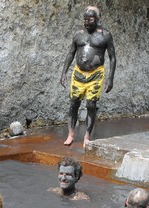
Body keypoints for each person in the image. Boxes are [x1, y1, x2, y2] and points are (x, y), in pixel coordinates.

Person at [60, 6, 116, 147]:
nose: (87, 22)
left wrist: (110, 78)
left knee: (91, 104)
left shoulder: (105, 35)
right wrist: (64, 72)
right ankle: (71, 134)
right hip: (78, 73)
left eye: (90, 19)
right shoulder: (78, 34)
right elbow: (70, 53)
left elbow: (112, 57)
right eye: (85, 19)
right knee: (74, 103)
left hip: (95, 74)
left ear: (98, 19)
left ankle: (87, 136)